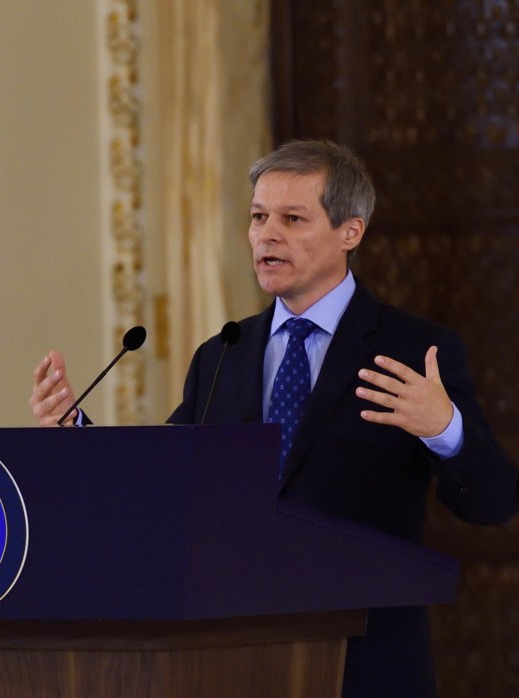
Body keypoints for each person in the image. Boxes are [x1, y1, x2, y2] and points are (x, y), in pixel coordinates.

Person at [30, 139, 518, 697]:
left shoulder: (413, 350)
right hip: (237, 656)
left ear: (350, 232)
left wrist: (444, 429)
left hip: (365, 659)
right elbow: (164, 479)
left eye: (292, 218)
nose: (267, 234)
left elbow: (494, 502)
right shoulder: (223, 354)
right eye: (259, 217)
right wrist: (76, 433)